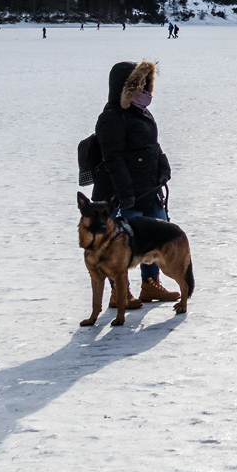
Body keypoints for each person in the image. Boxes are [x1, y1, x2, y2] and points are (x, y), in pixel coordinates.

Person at [90, 60, 177, 306]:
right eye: (137, 83)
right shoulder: (111, 117)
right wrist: (125, 193)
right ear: (123, 86)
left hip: (148, 188)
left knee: (155, 237)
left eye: (145, 82)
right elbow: (113, 158)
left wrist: (163, 167)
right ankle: (119, 293)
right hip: (122, 194)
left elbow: (152, 145)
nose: (142, 87)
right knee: (119, 245)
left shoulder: (141, 112)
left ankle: (150, 285)